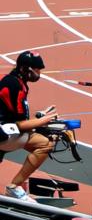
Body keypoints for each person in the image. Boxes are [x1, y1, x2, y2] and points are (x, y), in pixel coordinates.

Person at [0, 52, 55, 201]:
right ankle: (14, 187)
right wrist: (45, 121)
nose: (39, 73)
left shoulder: (14, 81)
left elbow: (16, 116)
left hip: (4, 129)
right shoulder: (14, 85)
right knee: (45, 144)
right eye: (37, 70)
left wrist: (39, 117)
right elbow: (19, 125)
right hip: (4, 133)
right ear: (26, 69)